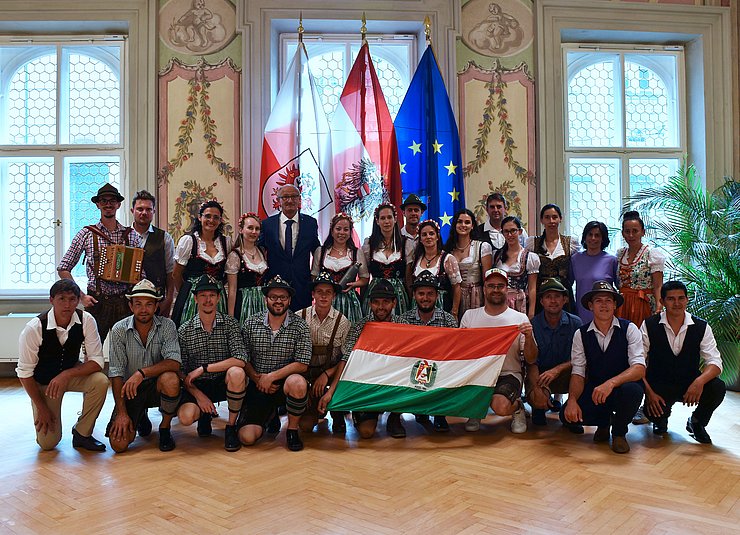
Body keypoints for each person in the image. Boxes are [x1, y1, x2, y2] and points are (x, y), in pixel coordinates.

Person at [16, 279, 109, 451]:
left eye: (72, 299)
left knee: (100, 381)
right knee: (48, 443)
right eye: (61, 299)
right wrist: (41, 407)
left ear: (78, 300)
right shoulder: (34, 328)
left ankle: (82, 433)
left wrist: (66, 375)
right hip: (44, 383)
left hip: (70, 376)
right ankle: (47, 418)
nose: (67, 305)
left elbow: (97, 362)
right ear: (51, 300)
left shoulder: (86, 320)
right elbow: (24, 373)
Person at [561, 281, 645, 454]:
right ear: (591, 306)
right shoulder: (581, 334)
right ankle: (604, 423)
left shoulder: (629, 329)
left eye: (608, 300)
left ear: (615, 305)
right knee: (566, 416)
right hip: (595, 390)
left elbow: (639, 368)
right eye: (599, 300)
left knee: (634, 391)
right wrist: (571, 400)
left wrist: (611, 383)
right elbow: (578, 372)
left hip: (622, 388)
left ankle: (619, 432)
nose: (604, 305)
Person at [640, 281, 726, 444]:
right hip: (659, 384)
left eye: (681, 298)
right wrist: (649, 393)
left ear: (687, 300)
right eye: (671, 299)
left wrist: (699, 382)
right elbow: (637, 362)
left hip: (690, 383)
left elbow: (715, 362)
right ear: (662, 302)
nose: (677, 303)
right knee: (652, 413)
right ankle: (660, 419)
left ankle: (697, 422)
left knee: (717, 387)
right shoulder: (649, 325)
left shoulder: (701, 326)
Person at [58, 183, 143, 342]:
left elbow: (140, 273)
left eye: (112, 201)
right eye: (104, 201)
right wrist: (81, 296)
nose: (108, 204)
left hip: (124, 301)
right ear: (98, 204)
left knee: (127, 348)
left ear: (118, 204)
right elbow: (63, 268)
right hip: (97, 301)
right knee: (91, 348)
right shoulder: (86, 234)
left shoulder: (131, 236)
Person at [319, 279, 403, 439]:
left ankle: (395, 417)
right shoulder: (360, 326)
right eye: (376, 302)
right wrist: (331, 391)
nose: (381, 307)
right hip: (367, 386)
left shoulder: (404, 326)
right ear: (370, 304)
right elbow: (346, 359)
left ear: (394, 303)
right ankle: (359, 413)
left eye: (386, 302)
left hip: (393, 383)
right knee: (366, 432)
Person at [238, 276, 312, 452]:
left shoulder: (300, 326)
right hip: (258, 385)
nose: (278, 301)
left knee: (298, 383)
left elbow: (302, 363)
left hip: (284, 385)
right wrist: (257, 379)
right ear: (266, 299)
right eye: (273, 297)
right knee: (247, 438)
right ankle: (270, 416)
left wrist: (271, 377)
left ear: (289, 300)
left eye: (283, 297)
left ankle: (292, 431)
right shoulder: (250, 323)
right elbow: (243, 357)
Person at [106, 279, 182, 453]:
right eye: (138, 304)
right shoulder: (119, 329)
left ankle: (164, 428)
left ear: (156, 306)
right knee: (119, 445)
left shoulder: (167, 326)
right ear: (131, 306)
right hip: (131, 390)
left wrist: (142, 373)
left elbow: (174, 362)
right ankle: (139, 416)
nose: (143, 309)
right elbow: (116, 373)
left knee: (170, 379)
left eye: (149, 304)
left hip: (157, 386)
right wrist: (122, 413)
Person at [460, 268, 537, 434]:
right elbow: (461, 353)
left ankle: (517, 407)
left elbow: (531, 359)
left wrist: (529, 337)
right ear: (484, 288)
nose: (496, 289)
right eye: (491, 285)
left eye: (500, 286)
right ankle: (476, 411)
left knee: (500, 407)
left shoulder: (519, 319)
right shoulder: (469, 317)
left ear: (506, 289)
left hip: (508, 374)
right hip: (478, 373)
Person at [177, 274, 247, 452]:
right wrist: (199, 395)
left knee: (237, 373)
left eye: (212, 295)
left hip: (222, 381)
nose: (207, 300)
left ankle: (231, 426)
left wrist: (204, 368)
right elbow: (181, 371)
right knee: (185, 417)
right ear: (195, 298)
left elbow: (240, 358)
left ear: (218, 297)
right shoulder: (184, 330)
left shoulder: (230, 324)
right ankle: (204, 415)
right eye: (203, 295)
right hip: (198, 386)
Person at [617, 210, 666, 425]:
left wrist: (658, 309)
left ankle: (647, 405)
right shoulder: (620, 254)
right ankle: (628, 401)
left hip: (644, 306)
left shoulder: (652, 254)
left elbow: (658, 286)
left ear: (643, 231)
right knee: (625, 352)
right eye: (627, 231)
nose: (631, 234)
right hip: (623, 307)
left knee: (644, 353)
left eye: (635, 230)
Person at [399, 270, 458, 432]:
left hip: (440, 368)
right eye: (421, 294)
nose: (425, 298)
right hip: (412, 367)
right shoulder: (404, 320)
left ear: (437, 296)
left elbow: (455, 351)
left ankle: (439, 414)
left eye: (430, 294)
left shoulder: (448, 320)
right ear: (414, 296)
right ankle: (411, 411)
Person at [297, 271, 351, 435]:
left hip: (333, 374)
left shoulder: (343, 322)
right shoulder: (300, 316)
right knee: (306, 426)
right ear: (313, 294)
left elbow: (345, 359)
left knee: (346, 373)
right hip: (305, 373)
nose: (323, 296)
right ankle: (309, 407)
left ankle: (338, 413)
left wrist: (327, 374)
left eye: (328, 292)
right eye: (319, 292)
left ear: (334, 295)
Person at [528, 278, 583, 427]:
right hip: (541, 376)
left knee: (585, 373)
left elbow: (581, 358)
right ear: (541, 301)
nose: (553, 301)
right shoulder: (533, 325)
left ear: (565, 299)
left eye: (557, 296)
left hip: (568, 374)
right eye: (548, 297)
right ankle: (539, 407)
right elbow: (531, 362)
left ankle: (571, 411)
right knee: (536, 398)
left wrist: (557, 370)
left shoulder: (576, 323)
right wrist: (537, 389)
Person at [259, 184, 321, 311]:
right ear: (278, 200)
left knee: (302, 322)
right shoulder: (267, 224)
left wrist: (317, 277)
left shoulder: (310, 223)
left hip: (302, 284)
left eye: (294, 196)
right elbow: (259, 251)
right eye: (285, 197)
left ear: (299, 199)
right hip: (276, 284)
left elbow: (317, 250)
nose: (290, 200)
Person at [172, 200, 232, 327]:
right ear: (200, 217)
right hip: (193, 297)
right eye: (208, 216)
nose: (211, 220)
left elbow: (227, 275)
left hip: (217, 298)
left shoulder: (226, 243)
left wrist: (217, 284)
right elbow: (176, 274)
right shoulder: (189, 241)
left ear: (220, 220)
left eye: (216, 217)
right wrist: (187, 292)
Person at [311, 212, 369, 323]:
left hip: (348, 300)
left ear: (350, 232)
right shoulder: (321, 252)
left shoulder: (356, 253)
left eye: (346, 229)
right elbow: (314, 276)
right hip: (326, 300)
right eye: (338, 229)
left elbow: (365, 278)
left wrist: (353, 284)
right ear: (332, 231)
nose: (342, 233)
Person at [525, 203, 580, 313]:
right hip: (541, 294)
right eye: (547, 217)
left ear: (560, 219)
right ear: (542, 220)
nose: (551, 221)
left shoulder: (570, 243)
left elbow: (574, 271)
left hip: (563, 293)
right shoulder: (533, 243)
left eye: (554, 217)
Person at [129, 190, 176, 317]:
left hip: (156, 300)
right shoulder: (123, 236)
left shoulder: (164, 237)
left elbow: (171, 271)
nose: (144, 213)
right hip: (129, 300)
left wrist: (169, 299)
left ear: (154, 212)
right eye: (140, 209)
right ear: (132, 210)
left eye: (148, 209)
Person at [362, 203, 411, 316]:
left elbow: (408, 277)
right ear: (377, 221)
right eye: (382, 218)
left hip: (398, 294)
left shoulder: (405, 243)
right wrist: (362, 298)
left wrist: (410, 298)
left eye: (389, 217)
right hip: (375, 292)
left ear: (395, 219)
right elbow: (365, 275)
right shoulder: (369, 244)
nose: (386, 221)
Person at [445, 209, 493, 320]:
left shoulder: (482, 247)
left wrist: (488, 304)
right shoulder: (448, 249)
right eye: (459, 222)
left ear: (472, 226)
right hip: (453, 296)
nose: (463, 225)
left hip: (476, 296)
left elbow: (487, 279)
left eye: (467, 222)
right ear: (455, 225)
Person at [409, 219, 462, 318]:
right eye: (424, 234)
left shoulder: (448, 259)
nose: (428, 237)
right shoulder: (416, 259)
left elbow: (457, 287)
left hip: (442, 307)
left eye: (431, 233)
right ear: (420, 239)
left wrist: (454, 311)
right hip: (418, 307)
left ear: (437, 236)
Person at [570, 221, 618, 324]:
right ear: (585, 237)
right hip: (581, 314)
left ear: (603, 238)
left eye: (597, 235)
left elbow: (619, 287)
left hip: (605, 313)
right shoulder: (575, 259)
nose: (593, 238)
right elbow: (569, 285)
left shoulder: (612, 260)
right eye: (590, 235)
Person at [226, 212, 268, 326]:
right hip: (244, 303)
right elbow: (232, 289)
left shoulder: (262, 252)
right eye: (250, 228)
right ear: (241, 230)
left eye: (257, 229)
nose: (254, 232)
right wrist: (231, 318)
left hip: (263, 303)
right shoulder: (235, 255)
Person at [494, 216, 540, 319]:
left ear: (519, 231)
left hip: (519, 303)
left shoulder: (530, 257)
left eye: (513, 231)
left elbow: (532, 288)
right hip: (499, 302)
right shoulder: (497, 255)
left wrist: (531, 312)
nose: (509, 235)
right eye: (506, 231)